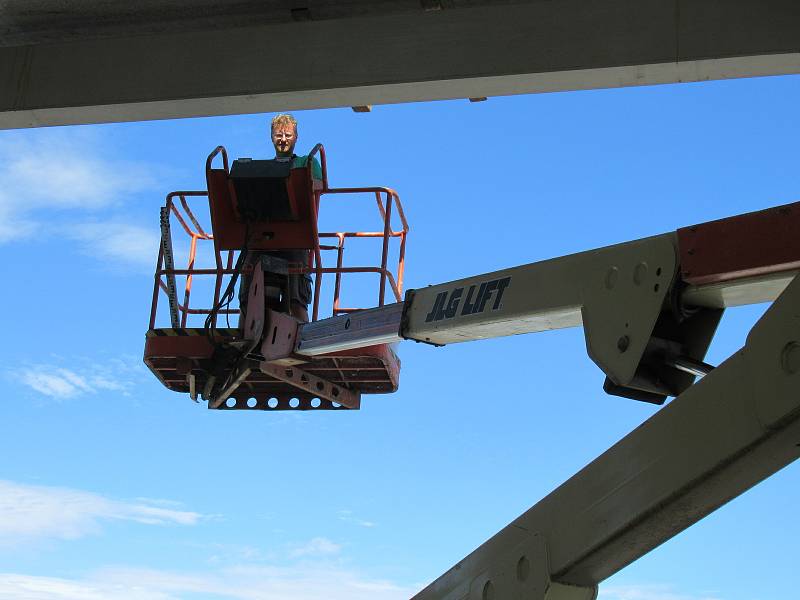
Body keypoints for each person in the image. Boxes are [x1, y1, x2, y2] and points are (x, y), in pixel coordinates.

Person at [239, 114, 321, 323]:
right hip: (262, 236)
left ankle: (303, 333)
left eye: (287, 135)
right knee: (249, 294)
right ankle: (243, 333)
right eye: (278, 135)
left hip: (295, 235)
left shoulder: (308, 162)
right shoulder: (261, 169)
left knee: (295, 296)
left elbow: (317, 187)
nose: (283, 139)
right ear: (271, 138)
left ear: (296, 137)